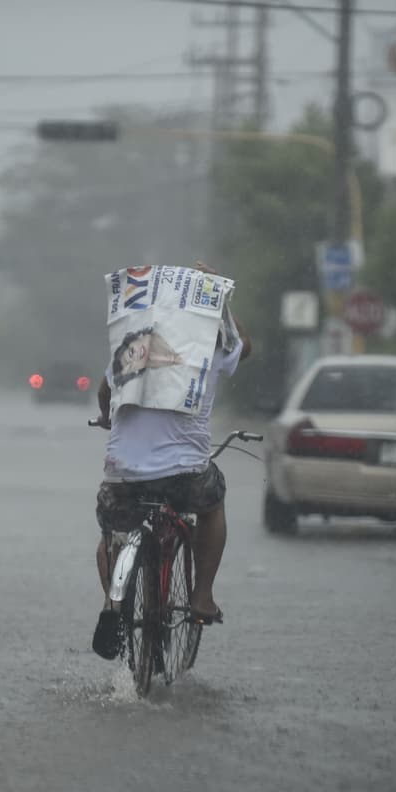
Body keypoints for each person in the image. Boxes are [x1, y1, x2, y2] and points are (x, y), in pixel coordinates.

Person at [90, 264, 251, 660]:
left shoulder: (132, 346)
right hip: (185, 476)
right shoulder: (210, 346)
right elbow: (244, 346)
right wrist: (221, 299)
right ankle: (202, 596)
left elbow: (104, 392)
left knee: (111, 535)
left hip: (124, 476)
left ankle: (113, 602)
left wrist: (108, 418)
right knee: (212, 504)